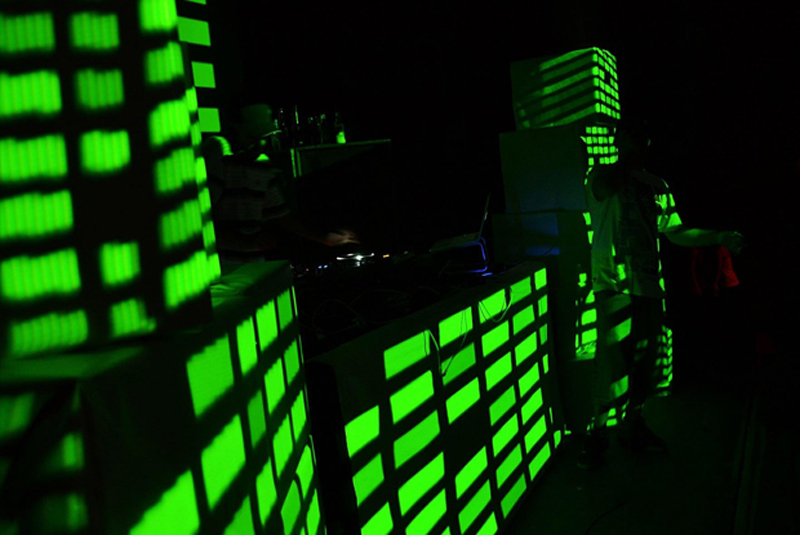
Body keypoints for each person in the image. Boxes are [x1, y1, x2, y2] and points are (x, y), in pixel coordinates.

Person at [577, 115, 745, 469]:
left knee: (644, 361)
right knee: (612, 362)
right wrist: (628, 160)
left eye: (639, 137)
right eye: (627, 136)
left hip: (649, 286)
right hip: (614, 283)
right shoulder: (600, 174)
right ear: (618, 141)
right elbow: (605, 188)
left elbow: (675, 231)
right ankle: (598, 433)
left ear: (647, 142)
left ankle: (632, 425)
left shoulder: (657, 185)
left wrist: (717, 237)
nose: (634, 142)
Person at [202, 98, 358, 263]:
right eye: (253, 137)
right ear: (235, 130)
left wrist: (323, 238)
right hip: (218, 263)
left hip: (252, 262)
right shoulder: (218, 153)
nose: (259, 144)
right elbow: (201, 216)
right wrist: (239, 239)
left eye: (263, 137)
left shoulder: (262, 164)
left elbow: (280, 214)